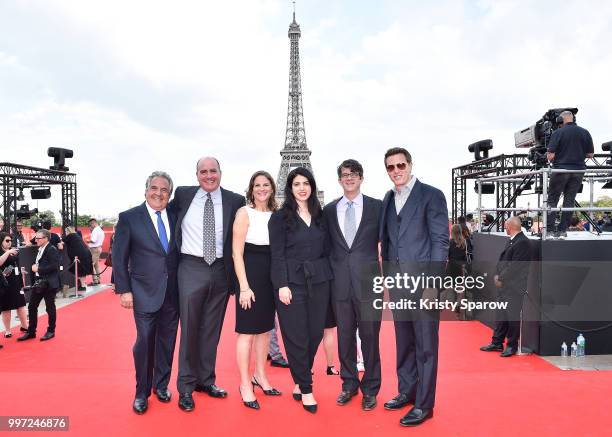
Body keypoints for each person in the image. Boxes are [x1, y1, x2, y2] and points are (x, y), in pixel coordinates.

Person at [379, 147, 449, 427]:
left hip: (423, 285)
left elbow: (440, 242)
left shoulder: (431, 195)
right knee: (404, 341)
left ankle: (424, 404)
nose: (396, 171)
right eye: (390, 167)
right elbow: (386, 240)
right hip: (397, 284)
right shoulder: (387, 198)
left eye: (400, 165)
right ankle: (406, 391)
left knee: (426, 346)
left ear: (410, 165)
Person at [170, 157, 245, 412]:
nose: (209, 176)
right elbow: (161, 214)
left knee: (211, 331)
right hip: (191, 267)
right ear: (196, 175)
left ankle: (206, 380)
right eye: (204, 172)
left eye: (213, 171)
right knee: (190, 328)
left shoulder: (235, 200)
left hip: (221, 271)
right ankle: (186, 387)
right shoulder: (182, 195)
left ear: (221, 173)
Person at [113, 171, 180, 415]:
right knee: (144, 342)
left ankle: (160, 386)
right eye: (154, 188)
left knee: (167, 342)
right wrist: (124, 290)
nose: (159, 193)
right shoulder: (129, 218)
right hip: (142, 292)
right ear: (145, 190)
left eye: (164, 190)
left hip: (172, 293)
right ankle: (141, 391)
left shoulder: (175, 215)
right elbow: (119, 258)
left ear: (169, 194)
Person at [269, 167, 333, 414]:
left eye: (306, 183)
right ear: (290, 187)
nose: (302, 188)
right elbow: (277, 254)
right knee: (296, 336)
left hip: (319, 280)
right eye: (296, 184)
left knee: (315, 333)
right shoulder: (280, 217)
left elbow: (328, 249)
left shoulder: (321, 216)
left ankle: (300, 378)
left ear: (312, 186)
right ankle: (306, 388)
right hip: (291, 283)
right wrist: (282, 284)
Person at [322, 159, 382, 411]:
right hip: (339, 284)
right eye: (345, 175)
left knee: (370, 338)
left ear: (361, 177)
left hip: (369, 283)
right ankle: (348, 384)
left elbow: (388, 242)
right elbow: (323, 247)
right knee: (345, 338)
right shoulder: (328, 210)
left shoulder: (377, 207)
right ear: (339, 179)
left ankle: (370, 389)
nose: (349, 178)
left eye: (354, 174)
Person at [232, 170, 281, 410]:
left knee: (265, 331)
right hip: (249, 277)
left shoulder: (277, 215)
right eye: (257, 185)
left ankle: (260, 376)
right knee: (247, 332)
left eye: (266, 185)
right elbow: (236, 253)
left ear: (272, 188)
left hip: (269, 277)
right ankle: (244, 383)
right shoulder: (244, 212)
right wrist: (243, 286)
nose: (262, 189)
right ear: (251, 189)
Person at [480, 216, 532, 357]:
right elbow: (504, 261)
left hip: (514, 287)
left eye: (506, 225)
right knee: (501, 315)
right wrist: (497, 275)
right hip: (505, 286)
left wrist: (501, 278)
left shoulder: (523, 243)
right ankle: (497, 342)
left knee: (512, 317)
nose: (505, 228)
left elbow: (516, 266)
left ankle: (511, 345)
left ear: (511, 226)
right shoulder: (513, 241)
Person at [546, 111, 594, 238]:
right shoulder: (585, 132)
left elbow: (550, 156)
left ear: (562, 119)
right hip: (578, 171)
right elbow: (590, 154)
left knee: (552, 199)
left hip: (561, 170)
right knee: (569, 200)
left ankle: (550, 230)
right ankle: (563, 230)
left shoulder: (558, 132)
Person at [17, 229, 61, 342]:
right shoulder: (40, 249)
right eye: (36, 238)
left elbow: (54, 266)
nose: (36, 240)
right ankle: (31, 331)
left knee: (50, 307)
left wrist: (39, 269)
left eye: (38, 238)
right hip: (39, 283)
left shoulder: (51, 249)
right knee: (32, 306)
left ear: (46, 238)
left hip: (49, 284)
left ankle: (51, 330)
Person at [1, 232, 28, 338]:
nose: (9, 243)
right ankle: (7, 330)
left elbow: (16, 264)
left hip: (16, 280)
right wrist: (8, 253)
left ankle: (25, 326)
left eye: (10, 240)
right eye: (7, 241)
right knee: (6, 307)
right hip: (4, 282)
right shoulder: (4, 252)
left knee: (21, 304)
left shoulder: (13, 250)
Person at [62, 227, 92, 291]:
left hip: (80, 256)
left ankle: (81, 285)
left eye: (65, 231)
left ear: (68, 231)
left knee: (79, 270)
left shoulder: (70, 236)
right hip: (85, 254)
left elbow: (62, 241)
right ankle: (82, 285)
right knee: (82, 271)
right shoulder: (76, 235)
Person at [86, 218, 105, 285]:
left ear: (93, 223)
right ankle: (98, 279)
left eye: (91, 224)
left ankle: (95, 280)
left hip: (94, 249)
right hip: (98, 248)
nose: (90, 226)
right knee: (96, 265)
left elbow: (93, 240)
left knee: (91, 265)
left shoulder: (95, 230)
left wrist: (87, 240)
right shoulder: (101, 230)